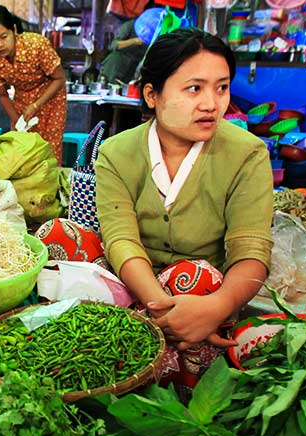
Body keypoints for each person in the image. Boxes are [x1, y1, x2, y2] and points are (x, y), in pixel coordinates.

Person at [39, 28, 273, 387]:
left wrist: (216, 308)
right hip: (135, 281)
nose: (211, 103)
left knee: (200, 276)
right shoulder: (117, 152)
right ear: (152, 95)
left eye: (221, 88)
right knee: (55, 234)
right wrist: (159, 306)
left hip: (202, 296)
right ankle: (149, 329)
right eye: (194, 88)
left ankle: (165, 362)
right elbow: (120, 239)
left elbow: (250, 250)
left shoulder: (247, 154)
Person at [0, 6, 67, 162]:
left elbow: (60, 79)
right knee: (22, 151)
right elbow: (2, 94)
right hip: (21, 101)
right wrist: (17, 120)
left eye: (3, 36)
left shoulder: (36, 45)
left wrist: (36, 105)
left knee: (49, 152)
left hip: (50, 99)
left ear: (13, 30)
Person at [100, 19, 146, 85]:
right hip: (117, 64)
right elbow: (114, 45)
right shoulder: (131, 25)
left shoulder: (156, 30)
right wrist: (135, 41)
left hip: (133, 68)